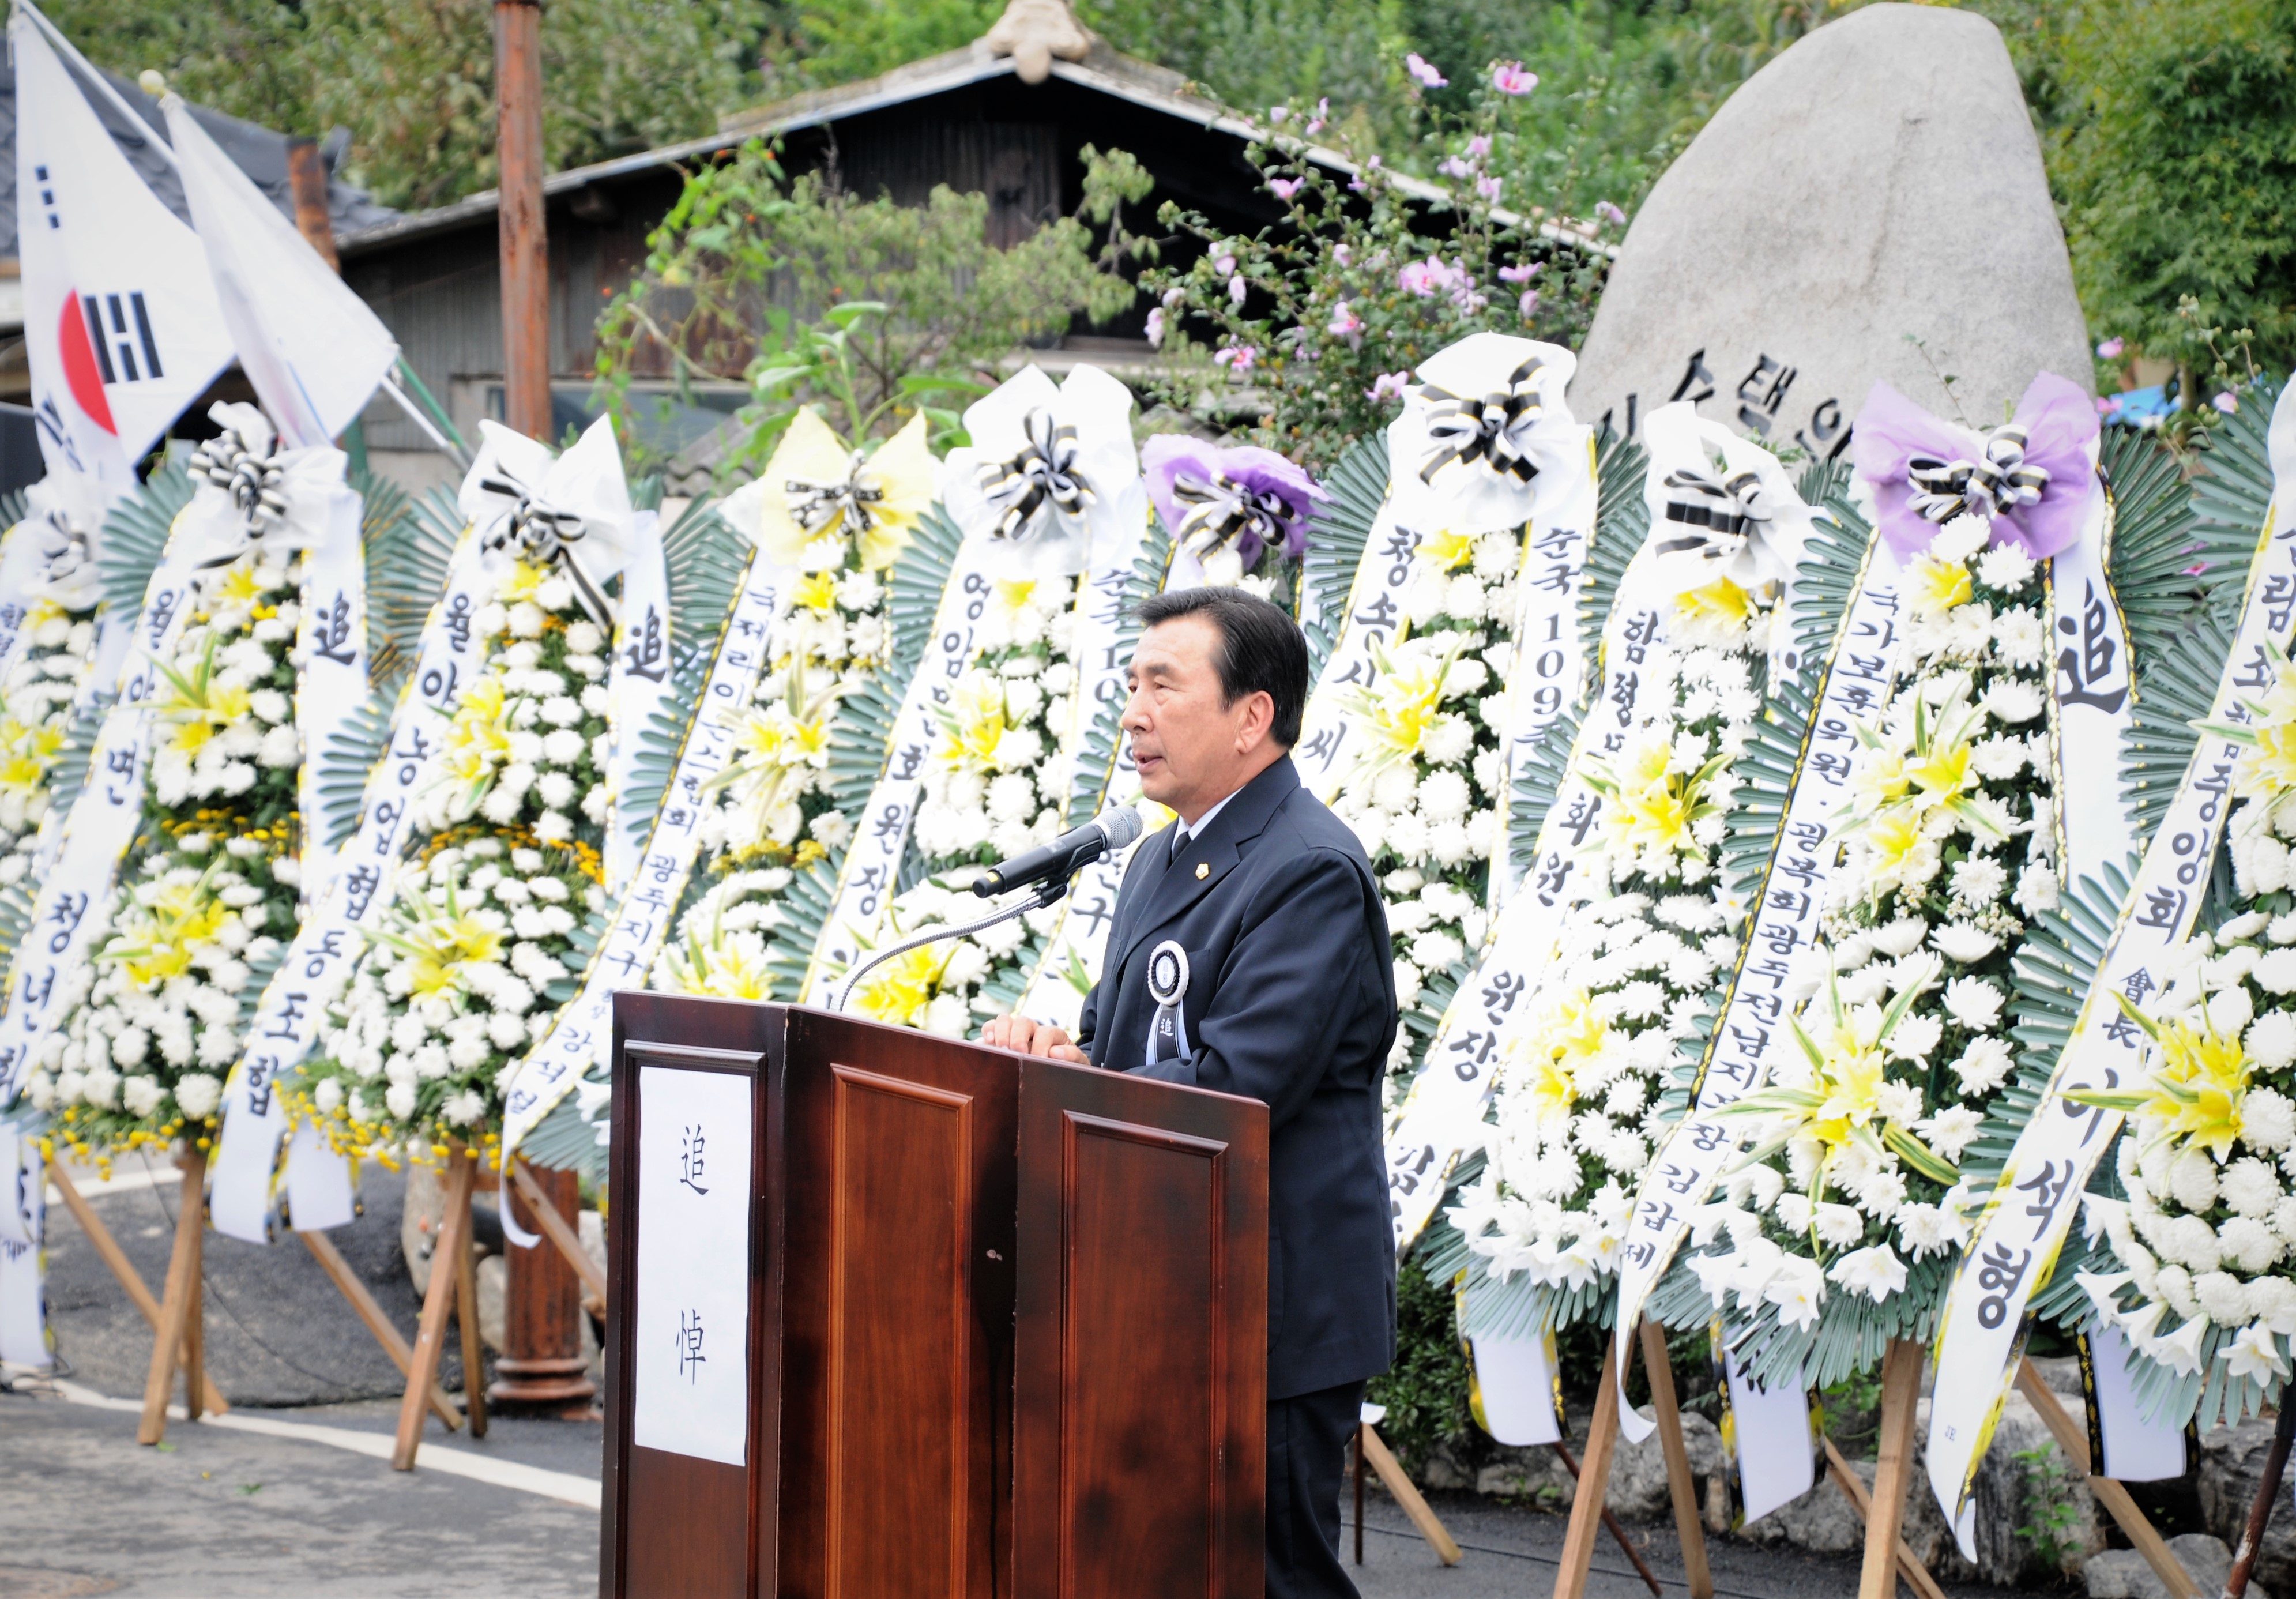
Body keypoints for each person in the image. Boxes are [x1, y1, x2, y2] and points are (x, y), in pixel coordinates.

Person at [984, 586, 1396, 1599]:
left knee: (1270, 1575)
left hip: (1267, 1303)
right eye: (1132, 685)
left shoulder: (1308, 869)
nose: (1133, 713)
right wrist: (1059, 1053)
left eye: (1163, 686)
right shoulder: (1158, 857)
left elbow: (1235, 1086)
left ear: (1252, 715)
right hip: (1162, 1280)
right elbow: (1123, 1040)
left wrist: (1079, 1083)